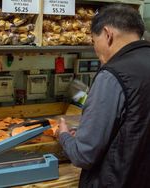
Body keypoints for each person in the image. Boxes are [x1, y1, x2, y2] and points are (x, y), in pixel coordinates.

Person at [57, 3, 150, 188]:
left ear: (108, 34)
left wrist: (64, 136)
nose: (95, 48)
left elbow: (83, 155)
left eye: (93, 40)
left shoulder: (112, 75)